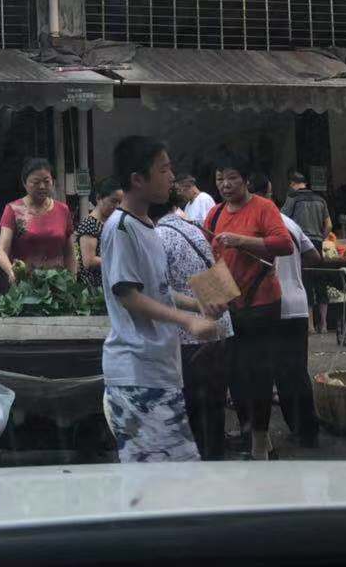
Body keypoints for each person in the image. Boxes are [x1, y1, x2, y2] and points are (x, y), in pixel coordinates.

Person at [101, 136, 221, 464]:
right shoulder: (121, 228)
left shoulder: (148, 227)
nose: (172, 177)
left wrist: (197, 305)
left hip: (158, 368)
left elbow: (160, 291)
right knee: (163, 478)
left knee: (169, 475)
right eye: (164, 170)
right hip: (137, 371)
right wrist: (188, 321)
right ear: (137, 180)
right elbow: (129, 297)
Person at [206, 161, 291, 462]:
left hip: (262, 303)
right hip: (229, 306)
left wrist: (241, 240)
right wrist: (212, 301)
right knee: (234, 374)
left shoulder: (263, 207)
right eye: (220, 178)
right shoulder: (215, 213)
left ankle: (259, 443)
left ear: (245, 180)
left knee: (259, 374)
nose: (225, 184)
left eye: (231, 177)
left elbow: (284, 244)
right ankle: (249, 431)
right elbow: (208, 257)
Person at [155, 182, 234, 460]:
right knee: (213, 408)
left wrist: (197, 308)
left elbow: (160, 291)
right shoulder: (194, 228)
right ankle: (216, 461)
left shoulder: (158, 236)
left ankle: (199, 468)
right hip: (219, 328)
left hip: (190, 335)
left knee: (192, 411)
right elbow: (216, 277)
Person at [273, 209, 324, 447]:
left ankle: (298, 428)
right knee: (296, 370)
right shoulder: (290, 223)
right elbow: (314, 256)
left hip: (271, 304)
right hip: (297, 303)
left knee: (279, 371)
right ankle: (306, 429)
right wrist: (293, 270)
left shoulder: (254, 221)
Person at [0, 158, 76, 282]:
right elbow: (1, 250)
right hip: (25, 285)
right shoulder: (13, 209)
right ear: (24, 183)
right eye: (36, 182)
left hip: (58, 283)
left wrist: (72, 280)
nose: (42, 186)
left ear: (53, 182)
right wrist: (11, 271)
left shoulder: (63, 209)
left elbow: (69, 252)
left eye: (46, 181)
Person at [281, 170, 332, 333]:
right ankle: (324, 324)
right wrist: (321, 237)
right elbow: (329, 225)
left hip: (302, 244)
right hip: (317, 243)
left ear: (292, 184)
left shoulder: (293, 198)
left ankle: (310, 325)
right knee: (321, 281)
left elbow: (282, 221)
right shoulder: (320, 199)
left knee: (306, 281)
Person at [77, 177, 123, 289]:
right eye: (113, 201)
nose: (117, 206)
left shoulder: (113, 222)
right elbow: (89, 261)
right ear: (98, 198)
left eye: (119, 202)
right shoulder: (90, 224)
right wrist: (120, 263)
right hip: (95, 287)